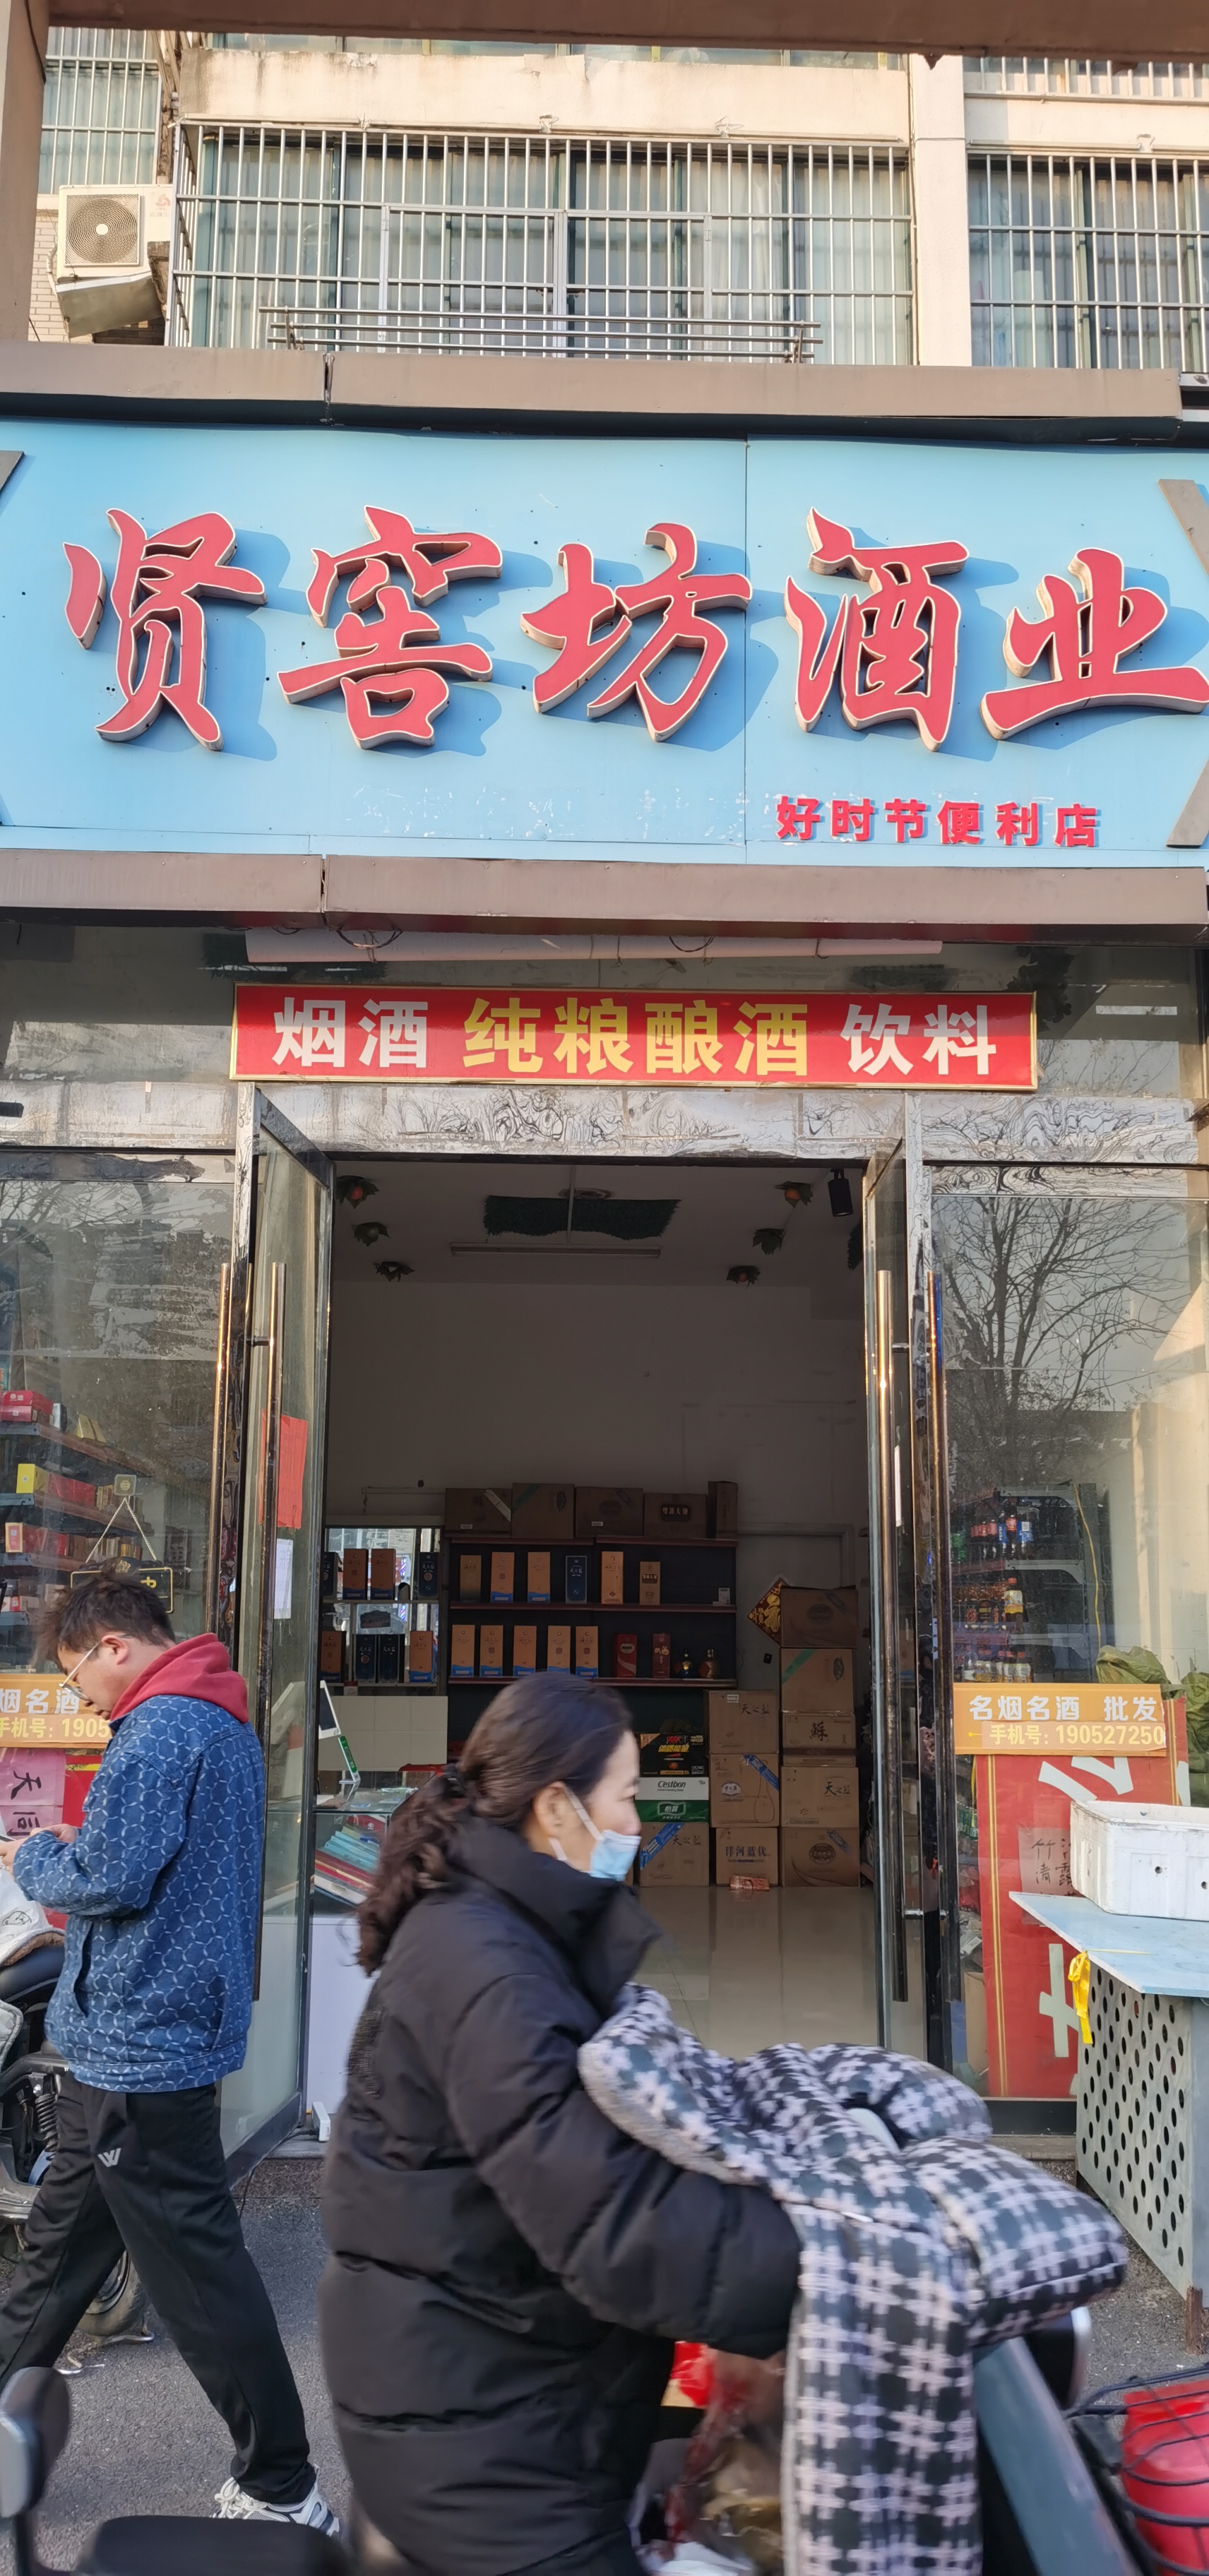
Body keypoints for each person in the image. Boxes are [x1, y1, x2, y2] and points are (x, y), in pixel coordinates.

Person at [321, 1671, 802, 2576]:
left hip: (509, 2375)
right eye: (624, 1797)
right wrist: (818, 2266)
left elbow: (602, 2152)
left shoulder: (501, 1926)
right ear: (554, 1807)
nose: (633, 1823)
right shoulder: (491, 1972)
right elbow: (609, 2221)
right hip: (480, 2445)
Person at [0, 1572, 337, 2532]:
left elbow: (111, 1877)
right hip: (137, 2037)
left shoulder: (158, 1731)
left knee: (197, 2276)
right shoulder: (214, 1717)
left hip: (140, 2047)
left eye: (77, 1676)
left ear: (115, 1646)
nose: (82, 1696)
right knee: (58, 2254)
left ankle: (282, 2485)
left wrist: (33, 1854)